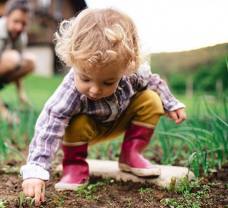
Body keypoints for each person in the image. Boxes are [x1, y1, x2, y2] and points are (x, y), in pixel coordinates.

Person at [20, 8, 186, 206]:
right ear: (73, 61)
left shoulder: (132, 73)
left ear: (126, 68)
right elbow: (50, 123)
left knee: (151, 99)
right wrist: (36, 169)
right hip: (85, 130)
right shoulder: (70, 90)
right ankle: (74, 165)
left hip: (118, 119)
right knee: (73, 121)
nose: (95, 90)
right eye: (86, 78)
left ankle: (130, 155)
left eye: (108, 82)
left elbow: (154, 82)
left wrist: (170, 103)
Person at [0, 0, 35, 123]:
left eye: (24, 23)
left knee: (30, 62)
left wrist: (21, 94)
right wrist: (3, 111)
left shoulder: (21, 36)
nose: (19, 27)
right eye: (16, 21)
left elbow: (18, 65)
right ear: (6, 17)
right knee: (13, 57)